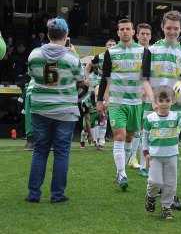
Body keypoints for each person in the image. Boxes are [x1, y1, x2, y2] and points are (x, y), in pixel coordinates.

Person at [25, 17, 84, 203]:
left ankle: (34, 194)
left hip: (40, 108)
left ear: (48, 34)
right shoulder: (71, 58)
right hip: (65, 110)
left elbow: (33, 76)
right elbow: (82, 80)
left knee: (40, 151)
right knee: (61, 152)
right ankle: (57, 195)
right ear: (66, 35)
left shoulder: (34, 54)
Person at [97, 19, 154, 191]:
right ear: (118, 32)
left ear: (133, 32)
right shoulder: (110, 52)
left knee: (130, 137)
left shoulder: (144, 52)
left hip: (136, 102)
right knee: (120, 136)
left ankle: (120, 170)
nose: (125, 32)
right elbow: (105, 78)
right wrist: (100, 100)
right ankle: (122, 173)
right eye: (121, 29)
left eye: (128, 29)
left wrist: (152, 98)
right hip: (117, 102)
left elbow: (145, 79)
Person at [142, 11, 181, 210]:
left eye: (176, 28)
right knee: (155, 149)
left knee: (170, 150)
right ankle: (158, 190)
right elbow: (144, 79)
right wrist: (153, 100)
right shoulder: (151, 50)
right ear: (162, 27)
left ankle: (169, 192)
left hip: (175, 110)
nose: (172, 31)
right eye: (168, 28)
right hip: (153, 107)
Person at [143, 86, 181, 220]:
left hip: (171, 155)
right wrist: (146, 152)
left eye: (167, 100)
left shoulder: (176, 116)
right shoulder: (150, 118)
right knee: (155, 181)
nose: (164, 103)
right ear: (156, 102)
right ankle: (151, 196)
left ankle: (166, 207)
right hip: (155, 156)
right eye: (161, 100)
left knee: (170, 183)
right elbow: (145, 136)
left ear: (172, 101)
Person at [128, 23, 153, 176]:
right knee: (135, 130)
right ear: (137, 35)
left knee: (146, 129)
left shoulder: (152, 52)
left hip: (149, 96)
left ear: (150, 36)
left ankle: (143, 163)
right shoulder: (133, 52)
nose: (144, 36)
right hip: (134, 95)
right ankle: (132, 158)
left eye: (147, 34)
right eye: (142, 33)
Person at [85, 38, 116, 149]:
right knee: (99, 112)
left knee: (105, 113)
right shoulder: (100, 56)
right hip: (100, 85)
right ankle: (96, 139)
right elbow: (88, 66)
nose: (111, 46)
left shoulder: (119, 56)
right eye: (109, 44)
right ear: (105, 46)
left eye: (113, 44)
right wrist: (87, 78)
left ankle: (100, 139)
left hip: (113, 86)